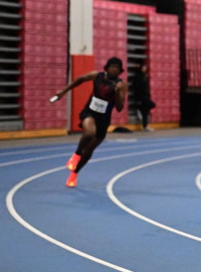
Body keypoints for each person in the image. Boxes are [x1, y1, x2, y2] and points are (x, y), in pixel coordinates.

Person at [51, 57, 127, 187]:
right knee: (89, 133)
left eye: (117, 68)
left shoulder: (121, 85)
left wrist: (118, 93)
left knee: (89, 151)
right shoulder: (97, 76)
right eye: (112, 66)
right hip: (90, 112)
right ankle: (76, 155)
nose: (114, 69)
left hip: (104, 120)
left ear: (120, 71)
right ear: (107, 67)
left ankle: (74, 174)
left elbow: (119, 108)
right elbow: (80, 79)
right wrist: (63, 92)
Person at [131, 62, 155, 131]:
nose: (145, 69)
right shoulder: (137, 76)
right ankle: (140, 109)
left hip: (145, 95)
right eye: (143, 67)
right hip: (140, 96)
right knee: (151, 104)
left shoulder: (144, 76)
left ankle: (145, 126)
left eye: (145, 68)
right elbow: (136, 87)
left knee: (145, 111)